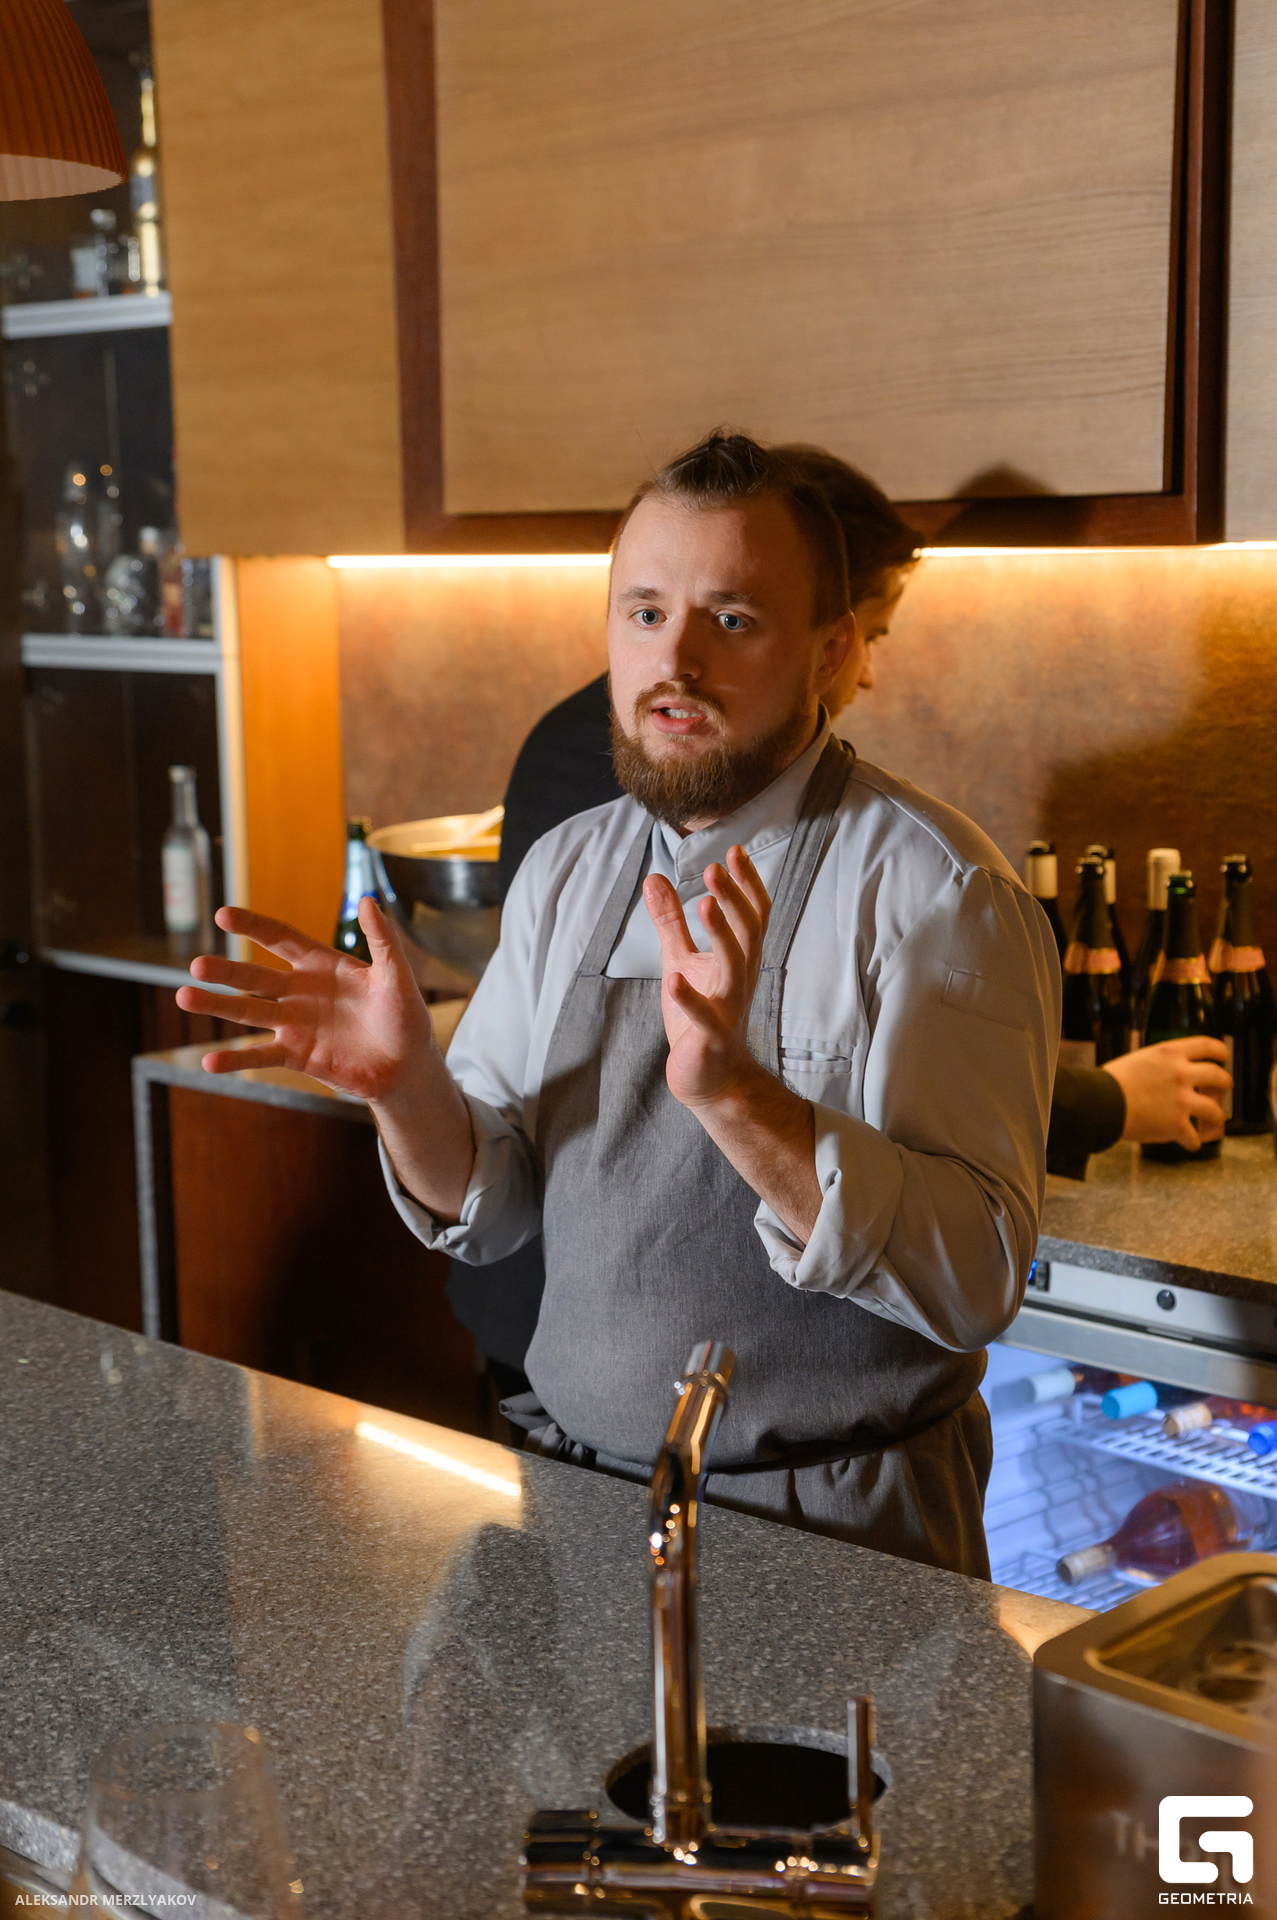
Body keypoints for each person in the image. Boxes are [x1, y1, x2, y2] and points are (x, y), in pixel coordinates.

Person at [178, 430, 1058, 1579]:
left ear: (831, 651)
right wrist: (403, 1091)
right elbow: (493, 1203)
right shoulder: (568, 869)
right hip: (583, 1509)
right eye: (643, 612)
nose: (673, 660)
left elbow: (977, 1276)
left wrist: (735, 1099)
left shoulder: (937, 892)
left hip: (841, 1530)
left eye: (730, 618)